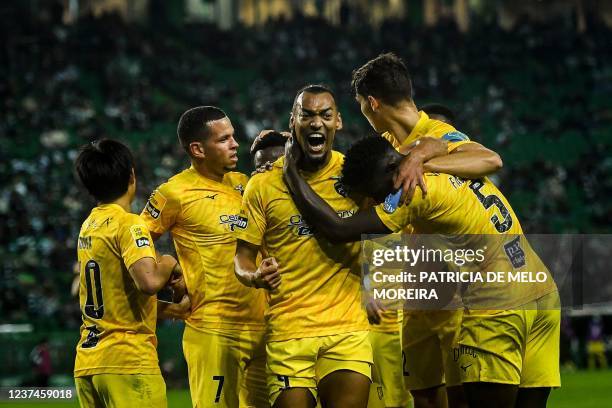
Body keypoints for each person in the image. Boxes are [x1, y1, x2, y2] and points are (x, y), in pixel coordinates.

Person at [282, 135, 561, 408]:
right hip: (540, 289)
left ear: (392, 170)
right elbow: (438, 141)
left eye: (376, 191)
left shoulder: (409, 191)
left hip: (498, 300)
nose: (380, 199)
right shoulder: (450, 162)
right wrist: (417, 153)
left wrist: (291, 173)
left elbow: (338, 229)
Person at [234, 85, 372, 408]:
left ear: (338, 122)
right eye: (306, 115)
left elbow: (382, 234)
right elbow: (241, 259)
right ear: (292, 121)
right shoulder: (262, 186)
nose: (316, 123)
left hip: (347, 330)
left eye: (325, 115)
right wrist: (255, 276)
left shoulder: (354, 176)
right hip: (289, 332)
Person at [140, 106, 268, 408]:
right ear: (197, 149)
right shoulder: (174, 193)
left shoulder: (244, 183)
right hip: (213, 330)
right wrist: (167, 284)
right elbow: (135, 241)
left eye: (233, 136)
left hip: (266, 327)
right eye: (224, 139)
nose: (235, 144)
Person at [73, 139, 183, 408]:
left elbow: (116, 300)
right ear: (131, 176)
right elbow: (148, 282)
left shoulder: (88, 226)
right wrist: (168, 261)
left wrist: (175, 310)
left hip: (89, 364)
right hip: (128, 361)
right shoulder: (129, 223)